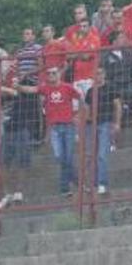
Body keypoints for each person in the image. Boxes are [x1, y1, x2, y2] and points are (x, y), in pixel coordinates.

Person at [19, 67, 80, 196]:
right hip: (54, 128)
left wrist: (77, 114)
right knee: (59, 156)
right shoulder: (45, 88)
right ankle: (75, 178)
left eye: (54, 73)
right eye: (49, 73)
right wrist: (18, 86)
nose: (51, 75)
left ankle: (65, 188)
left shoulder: (67, 87)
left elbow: (81, 98)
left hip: (68, 126)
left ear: (59, 74)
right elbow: (31, 89)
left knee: (68, 157)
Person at [80, 67, 122, 195]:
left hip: (105, 123)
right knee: (90, 155)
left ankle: (102, 183)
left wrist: (117, 123)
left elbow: (117, 106)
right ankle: (93, 182)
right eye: (96, 73)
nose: (98, 75)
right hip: (91, 125)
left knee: (102, 154)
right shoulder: (90, 91)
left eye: (100, 73)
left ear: (104, 74)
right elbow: (86, 109)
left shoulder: (111, 88)